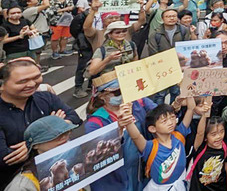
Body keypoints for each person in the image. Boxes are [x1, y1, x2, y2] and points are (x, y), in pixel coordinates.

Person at [0, 58, 82, 189]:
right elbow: (6, 157)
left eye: (36, 77)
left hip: (57, 174)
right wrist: (36, 141)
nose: (32, 84)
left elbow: (74, 118)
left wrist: (49, 131)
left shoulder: (46, 98)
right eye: (23, 81)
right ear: (2, 84)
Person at [84, 73, 157, 191]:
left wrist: (176, 106)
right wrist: (118, 130)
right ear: (102, 96)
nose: (122, 94)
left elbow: (158, 114)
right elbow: (96, 154)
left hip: (139, 169)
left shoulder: (137, 103)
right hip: (115, 178)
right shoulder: (95, 123)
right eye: (117, 92)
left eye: (124, 89)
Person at [121, 99, 201, 191]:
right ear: (152, 128)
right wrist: (128, 119)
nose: (170, 122)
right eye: (164, 121)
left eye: (172, 117)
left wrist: (189, 90)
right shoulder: (150, 147)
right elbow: (136, 136)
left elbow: (190, 109)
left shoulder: (179, 135)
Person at [4, 115, 78, 191]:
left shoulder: (74, 165)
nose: (64, 137)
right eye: (55, 135)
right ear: (35, 145)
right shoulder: (22, 186)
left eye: (67, 132)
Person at [187, 114, 227, 191]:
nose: (218, 136)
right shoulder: (200, 148)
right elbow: (200, 133)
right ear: (205, 136)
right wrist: (204, 114)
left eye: (221, 132)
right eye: (213, 134)